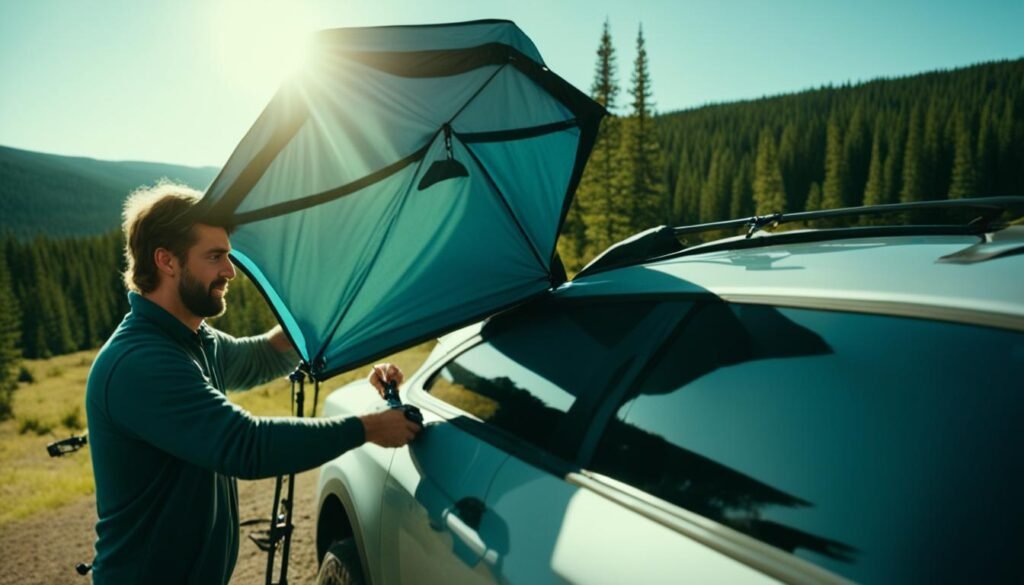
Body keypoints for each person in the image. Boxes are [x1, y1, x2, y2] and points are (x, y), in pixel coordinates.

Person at [85, 182, 421, 584]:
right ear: (166, 261)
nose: (230, 271)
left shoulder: (194, 339)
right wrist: (368, 428)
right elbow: (246, 445)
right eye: (215, 257)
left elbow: (266, 354)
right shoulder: (140, 361)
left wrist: (345, 321)